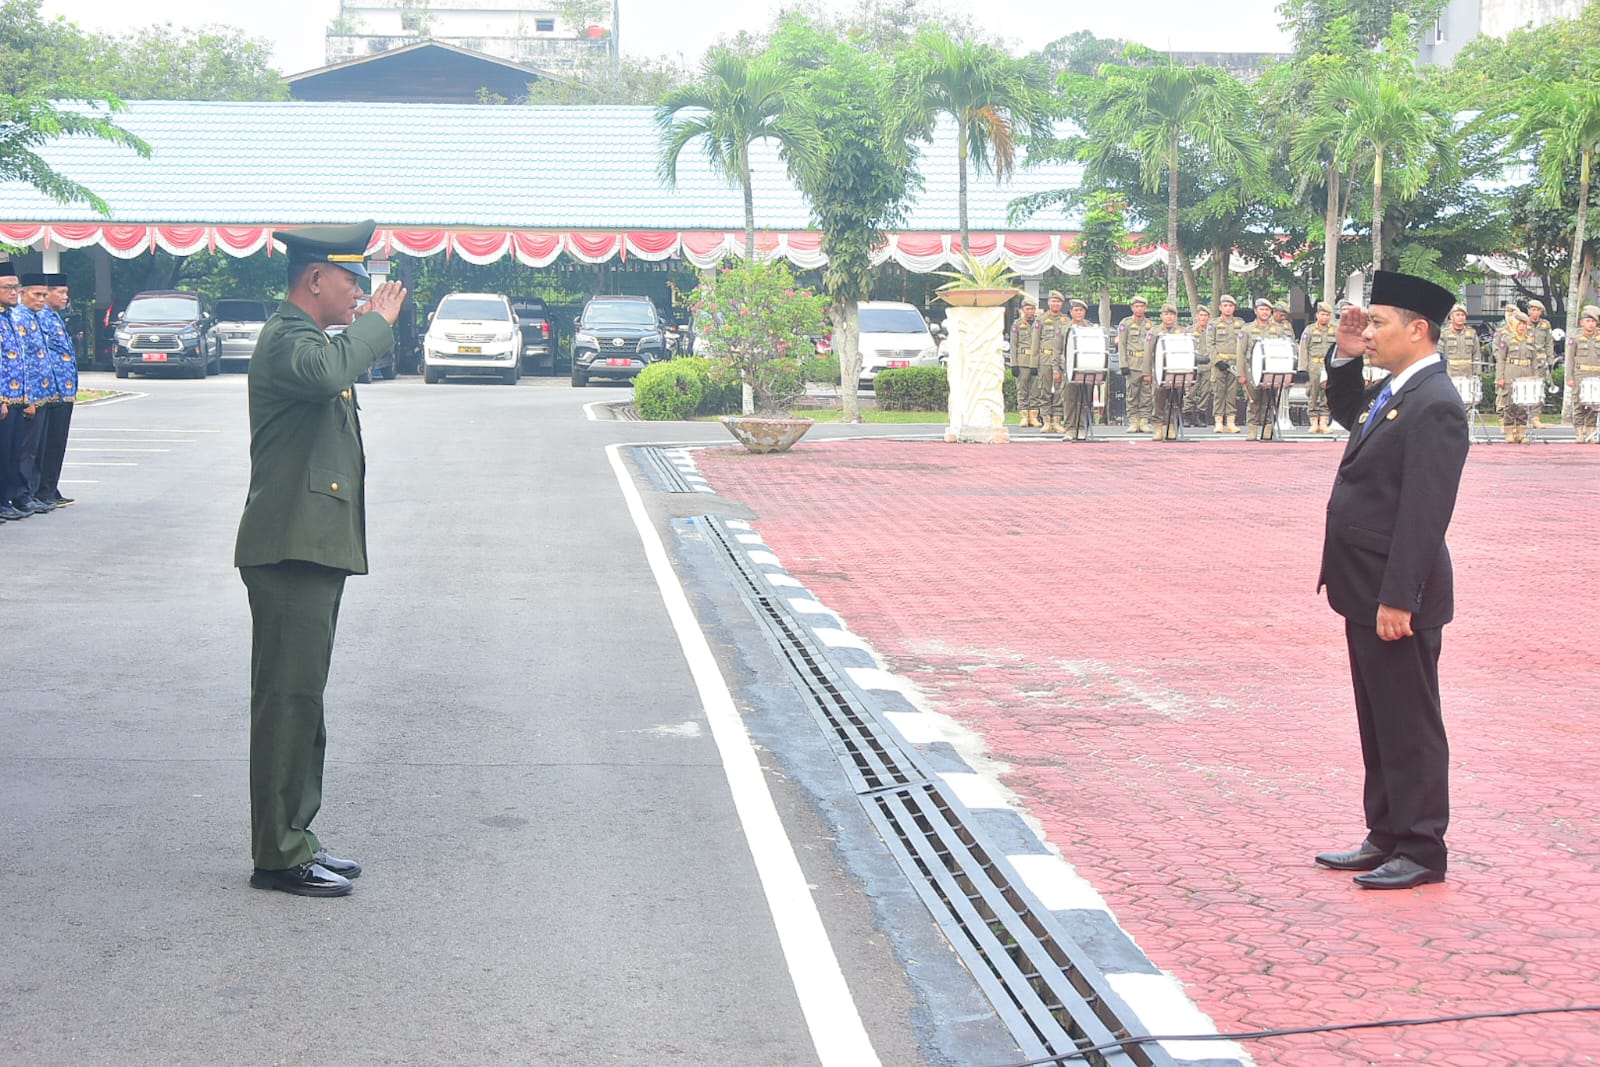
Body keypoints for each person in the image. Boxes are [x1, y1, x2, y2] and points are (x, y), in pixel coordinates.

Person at [234, 220, 407, 897]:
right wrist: (379, 324)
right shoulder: (290, 341)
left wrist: (363, 329)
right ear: (315, 279)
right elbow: (333, 369)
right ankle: (277, 853)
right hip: (288, 548)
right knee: (287, 702)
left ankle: (296, 834)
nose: (360, 293)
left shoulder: (311, 341)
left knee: (304, 703)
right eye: (351, 280)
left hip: (309, 545)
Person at [1315, 270, 1468, 890]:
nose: (1368, 330)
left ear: (1417, 328)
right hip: (1364, 585)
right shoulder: (1400, 389)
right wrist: (1345, 359)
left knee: (1410, 722)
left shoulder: (1436, 403)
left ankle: (1422, 847)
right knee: (1378, 718)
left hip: (1394, 593)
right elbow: (1350, 413)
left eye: (1378, 322)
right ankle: (1385, 833)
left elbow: (1425, 513)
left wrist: (1399, 598)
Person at [13, 272, 58, 514]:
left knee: (36, 448)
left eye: (44, 294)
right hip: (27, 395)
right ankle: (21, 494)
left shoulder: (35, 317)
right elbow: (23, 363)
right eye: (36, 294)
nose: (41, 299)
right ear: (22, 293)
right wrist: (28, 398)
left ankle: (31, 491)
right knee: (26, 449)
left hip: (43, 394)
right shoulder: (19, 318)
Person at [36, 273, 78, 507]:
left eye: (65, 292)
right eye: (60, 292)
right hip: (50, 391)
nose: (65, 297)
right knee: (48, 443)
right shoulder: (41, 317)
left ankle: (51, 487)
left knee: (57, 442)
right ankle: (43, 489)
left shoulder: (54, 317)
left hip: (64, 390)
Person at [1237, 296, 1293, 439]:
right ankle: (1253, 430)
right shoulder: (1247, 329)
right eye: (1262, 309)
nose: (1265, 312)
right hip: (1252, 370)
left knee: (1269, 401)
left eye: (1267, 310)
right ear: (1256, 311)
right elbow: (1241, 353)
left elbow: (1285, 350)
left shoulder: (1278, 329)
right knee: (1254, 400)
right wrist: (1241, 374)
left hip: (1272, 370)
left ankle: (1268, 429)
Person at [0, 258, 28, 523]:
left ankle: (6, 500)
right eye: (7, 287)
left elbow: (19, 360)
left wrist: (26, 395)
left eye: (15, 287)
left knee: (11, 453)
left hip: (17, 398)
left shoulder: (10, 319)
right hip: (3, 399)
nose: (13, 292)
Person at [1496, 308, 1540, 444]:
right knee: (1509, 404)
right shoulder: (1507, 339)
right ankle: (1509, 431)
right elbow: (1501, 359)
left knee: (1523, 405)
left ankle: (1521, 432)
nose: (1522, 326)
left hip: (1526, 372)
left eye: (1524, 324)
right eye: (1520, 324)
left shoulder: (1530, 340)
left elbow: (1534, 360)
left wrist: (1535, 376)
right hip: (1511, 372)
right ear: (1515, 324)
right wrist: (1500, 377)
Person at [1146, 302, 1185, 440]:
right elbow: (1148, 354)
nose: (1169, 317)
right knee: (1158, 400)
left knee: (1175, 401)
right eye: (1166, 314)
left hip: (1177, 372)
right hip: (1159, 372)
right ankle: (1158, 427)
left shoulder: (1182, 332)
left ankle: (1172, 427)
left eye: (1172, 314)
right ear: (1162, 315)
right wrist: (1147, 373)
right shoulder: (1154, 332)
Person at [1116, 296, 1155, 432]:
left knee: (1146, 394)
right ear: (1132, 308)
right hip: (1132, 363)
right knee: (1132, 393)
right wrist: (1123, 364)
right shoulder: (1125, 324)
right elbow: (1121, 344)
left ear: (1145, 308)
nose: (1139, 309)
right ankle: (1133, 420)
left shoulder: (1151, 325)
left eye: (1142, 306)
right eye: (1136, 306)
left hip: (1146, 364)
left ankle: (1144, 420)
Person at [1210, 295, 1247, 433]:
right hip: (1219, 363)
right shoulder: (1214, 324)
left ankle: (1231, 422)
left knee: (1232, 393)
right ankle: (1218, 422)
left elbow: (1244, 345)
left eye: (1230, 306)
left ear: (1234, 308)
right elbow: (1210, 344)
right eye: (1225, 306)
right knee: (1219, 393)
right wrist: (1217, 361)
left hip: (1235, 363)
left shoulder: (1241, 324)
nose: (1228, 308)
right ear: (1220, 307)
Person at [1299, 302, 1337, 434]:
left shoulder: (1335, 330)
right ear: (1317, 315)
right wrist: (1303, 368)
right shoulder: (1309, 330)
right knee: (1313, 394)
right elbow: (1303, 349)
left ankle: (1324, 423)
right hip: (1314, 366)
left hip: (1329, 367)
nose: (1325, 317)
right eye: (1322, 314)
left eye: (1327, 315)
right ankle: (1314, 422)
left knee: (1327, 394)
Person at [1036, 290, 1069, 435]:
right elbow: (1035, 343)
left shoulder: (1066, 321)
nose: (1055, 304)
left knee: (1060, 391)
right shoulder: (1041, 320)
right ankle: (1046, 420)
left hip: (1061, 361)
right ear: (1048, 302)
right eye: (1053, 301)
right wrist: (1033, 364)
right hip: (1045, 359)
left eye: (1058, 301)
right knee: (1045, 390)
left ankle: (1057, 420)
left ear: (1062, 304)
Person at [1009, 298, 1043, 429]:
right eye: (1028, 309)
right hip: (1022, 361)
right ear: (1023, 310)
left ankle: (1033, 416)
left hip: (1036, 362)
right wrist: (1014, 364)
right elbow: (1013, 345)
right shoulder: (1017, 324)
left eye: (1032, 309)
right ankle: (1024, 415)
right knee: (1022, 390)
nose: (1030, 311)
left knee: (1035, 390)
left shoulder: (1039, 324)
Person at [1569, 304, 1600, 443]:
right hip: (1580, 374)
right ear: (1582, 322)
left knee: (1594, 404)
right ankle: (1580, 432)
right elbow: (1570, 359)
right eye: (1588, 321)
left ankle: (1591, 432)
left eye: (1593, 321)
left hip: (1596, 375)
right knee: (1579, 403)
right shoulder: (1575, 339)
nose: (1591, 324)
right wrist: (1569, 377)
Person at [1183, 304, 1213, 427]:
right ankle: (1187, 415)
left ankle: (1201, 415)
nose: (1203, 318)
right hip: (1193, 366)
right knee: (1190, 391)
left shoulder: (1211, 331)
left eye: (1205, 315)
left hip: (1207, 365)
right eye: (1201, 315)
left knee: (1205, 392)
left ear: (1209, 317)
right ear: (1197, 316)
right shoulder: (1189, 331)